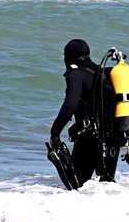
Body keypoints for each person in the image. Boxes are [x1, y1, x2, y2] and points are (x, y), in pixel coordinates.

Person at [49, 38, 118, 186]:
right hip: (111, 137)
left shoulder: (76, 75)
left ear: (69, 56)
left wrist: (55, 132)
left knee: (78, 188)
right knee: (107, 185)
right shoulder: (101, 73)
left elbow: (70, 104)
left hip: (89, 138)